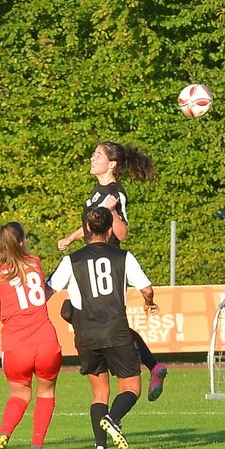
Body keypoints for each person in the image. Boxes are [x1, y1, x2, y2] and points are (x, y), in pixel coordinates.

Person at [56, 141, 169, 401]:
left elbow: (122, 233)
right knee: (71, 312)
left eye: (98, 155)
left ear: (112, 164)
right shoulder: (97, 192)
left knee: (98, 321)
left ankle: (151, 365)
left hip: (107, 264)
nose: (92, 158)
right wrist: (71, 238)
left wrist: (114, 210)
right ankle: (154, 365)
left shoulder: (116, 193)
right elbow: (92, 224)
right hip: (92, 259)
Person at [48, 207, 159, 449]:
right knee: (132, 387)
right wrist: (149, 303)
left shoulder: (71, 261)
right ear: (110, 231)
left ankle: (100, 446)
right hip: (116, 331)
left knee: (99, 391)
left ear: (87, 229)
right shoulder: (123, 257)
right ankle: (113, 418)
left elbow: (47, 291)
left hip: (86, 334)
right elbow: (147, 289)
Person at [0, 223, 64, 449]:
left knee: (19, 396)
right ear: (22, 242)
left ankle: (4, 434)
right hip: (46, 340)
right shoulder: (34, 261)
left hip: (16, 346)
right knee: (46, 392)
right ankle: (36, 447)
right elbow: (41, 295)